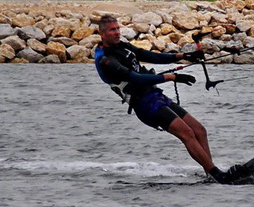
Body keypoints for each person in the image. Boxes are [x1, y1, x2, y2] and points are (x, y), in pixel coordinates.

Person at [94, 14, 244, 184]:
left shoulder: (122, 46)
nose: (117, 33)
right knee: (186, 133)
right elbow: (135, 78)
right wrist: (172, 77)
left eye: (118, 29)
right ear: (102, 34)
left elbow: (151, 56)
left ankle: (211, 174)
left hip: (155, 96)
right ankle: (218, 175)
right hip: (143, 104)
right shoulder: (105, 59)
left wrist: (183, 56)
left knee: (199, 130)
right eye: (112, 30)